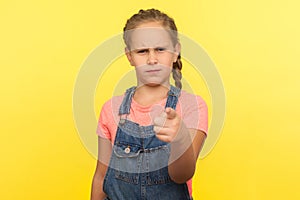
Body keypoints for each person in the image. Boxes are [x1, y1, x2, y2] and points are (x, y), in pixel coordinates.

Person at [91, 8, 208, 200]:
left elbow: (182, 175)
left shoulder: (191, 106)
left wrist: (180, 138)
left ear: (175, 51)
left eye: (160, 49)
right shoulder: (111, 109)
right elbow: (101, 177)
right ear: (129, 56)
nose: (152, 59)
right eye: (142, 51)